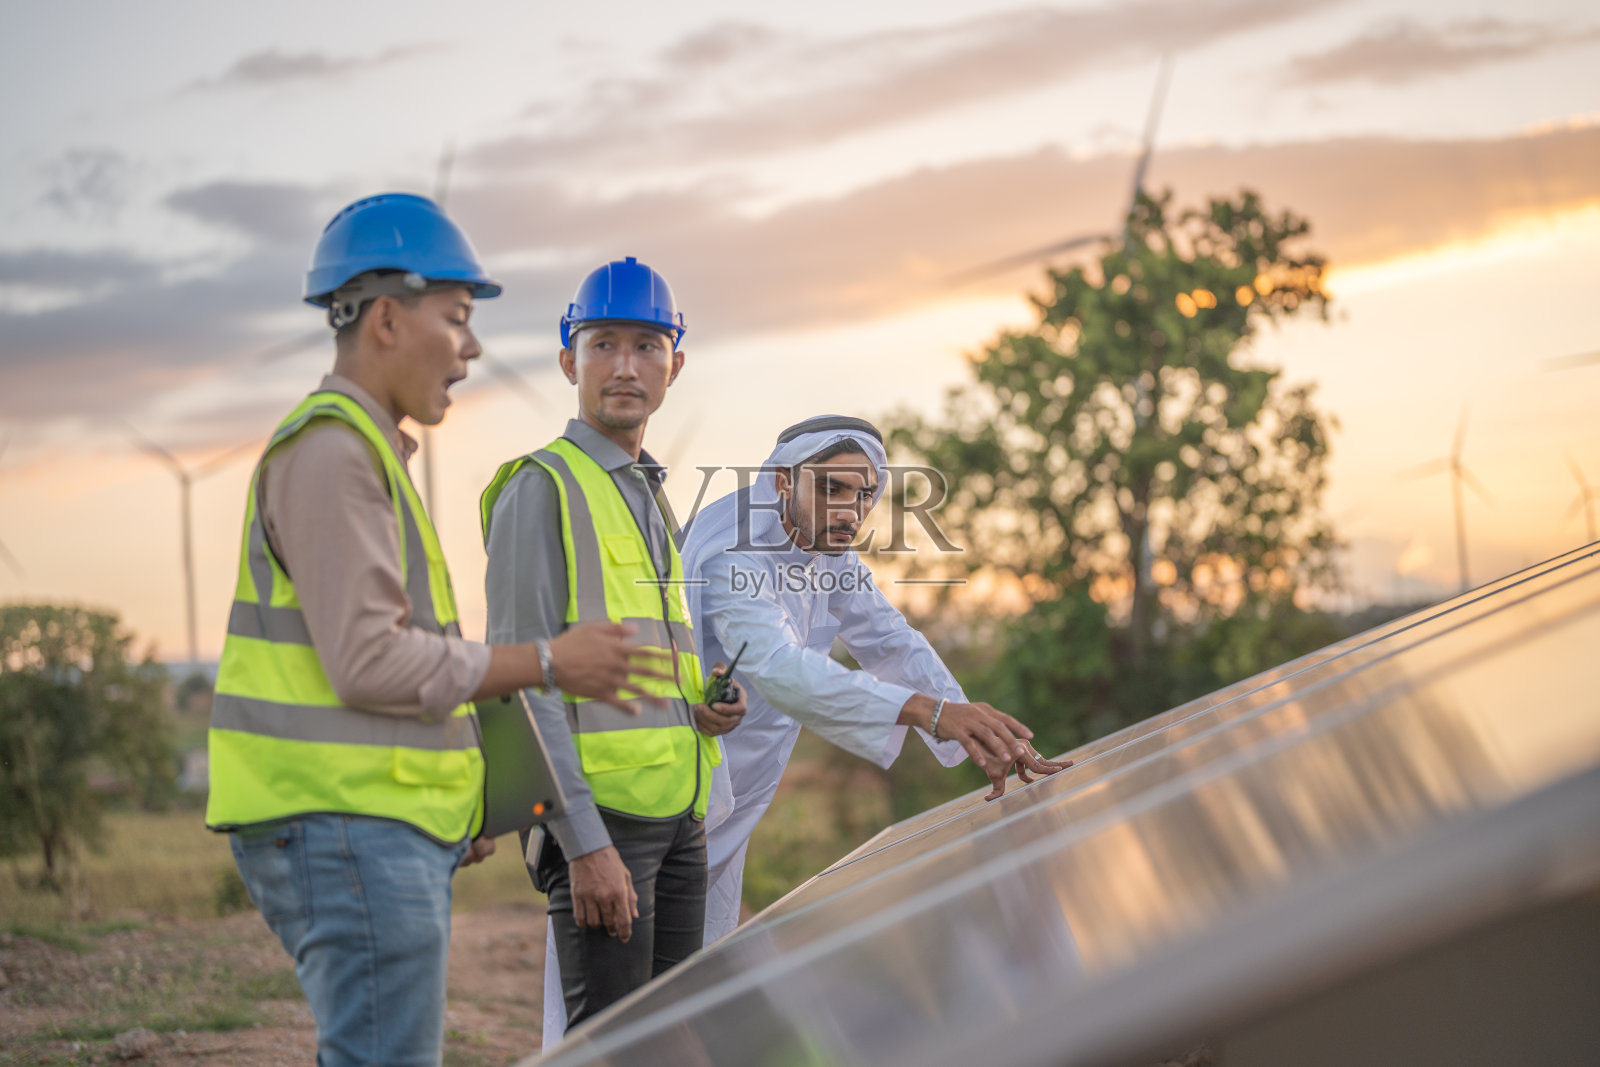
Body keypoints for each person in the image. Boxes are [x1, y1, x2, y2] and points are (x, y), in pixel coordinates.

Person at [205, 194, 665, 1067]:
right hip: (340, 820)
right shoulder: (335, 451)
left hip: (369, 815)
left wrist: (461, 791)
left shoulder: (365, 452)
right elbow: (370, 661)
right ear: (386, 318)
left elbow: (383, 654)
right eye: (456, 319)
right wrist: (548, 660)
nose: (474, 347)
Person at [680, 414, 1071, 947]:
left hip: (738, 795)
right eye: (832, 489)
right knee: (624, 975)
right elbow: (782, 668)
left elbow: (891, 640)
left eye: (865, 494)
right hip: (682, 791)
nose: (852, 511)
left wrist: (977, 730)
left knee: (690, 968)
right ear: (782, 482)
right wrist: (931, 714)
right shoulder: (734, 555)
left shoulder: (827, 553)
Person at [481, 256, 745, 1042]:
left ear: (675, 365)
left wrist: (697, 708)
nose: (625, 365)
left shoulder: (648, 492)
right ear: (569, 359)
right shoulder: (542, 487)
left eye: (646, 345)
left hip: (679, 817)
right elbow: (518, 683)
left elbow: (634, 658)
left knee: (672, 1039)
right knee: (613, 1047)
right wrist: (585, 844)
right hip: (604, 824)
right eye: (603, 345)